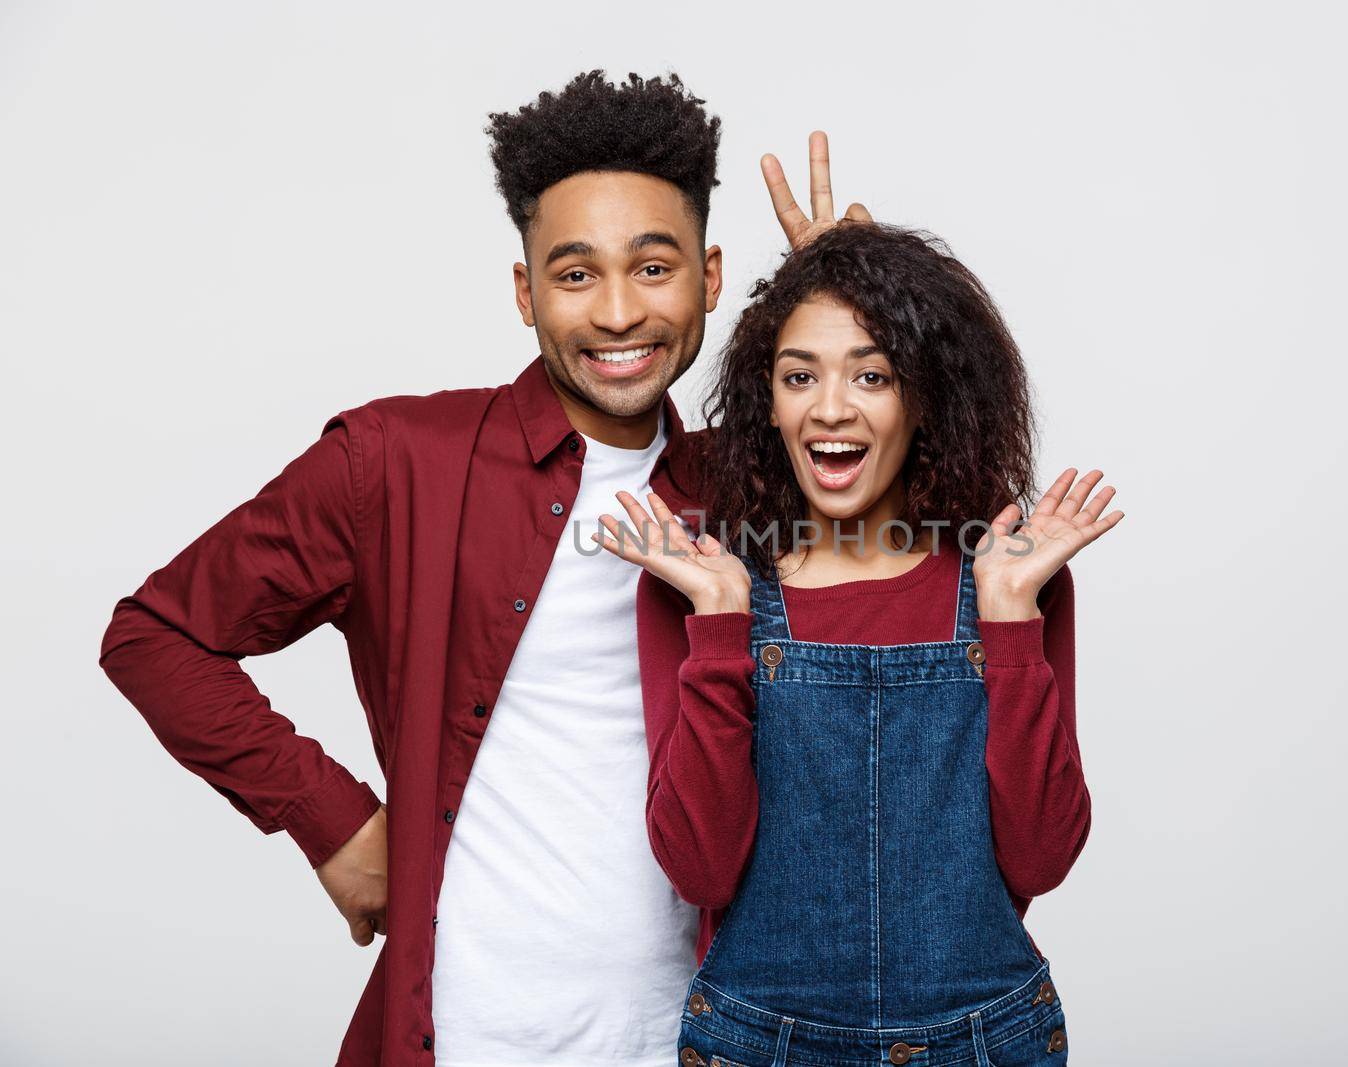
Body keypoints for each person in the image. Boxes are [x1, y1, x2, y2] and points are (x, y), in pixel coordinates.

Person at [97, 68, 869, 1066]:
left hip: (709, 1036)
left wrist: (867, 319)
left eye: (654, 267)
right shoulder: (396, 461)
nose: (618, 313)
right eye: (576, 273)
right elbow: (157, 634)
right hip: (465, 1035)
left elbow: (958, 568)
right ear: (525, 291)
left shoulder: (758, 487)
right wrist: (329, 818)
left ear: (712, 278)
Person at [593, 222, 1124, 1065]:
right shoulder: (703, 588)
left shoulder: (1007, 579)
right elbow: (700, 869)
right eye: (799, 374)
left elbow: (1042, 853)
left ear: (926, 395)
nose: (831, 407)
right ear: (767, 399)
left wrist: (1013, 619)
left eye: (872, 374)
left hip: (986, 1043)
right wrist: (723, 626)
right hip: (758, 1046)